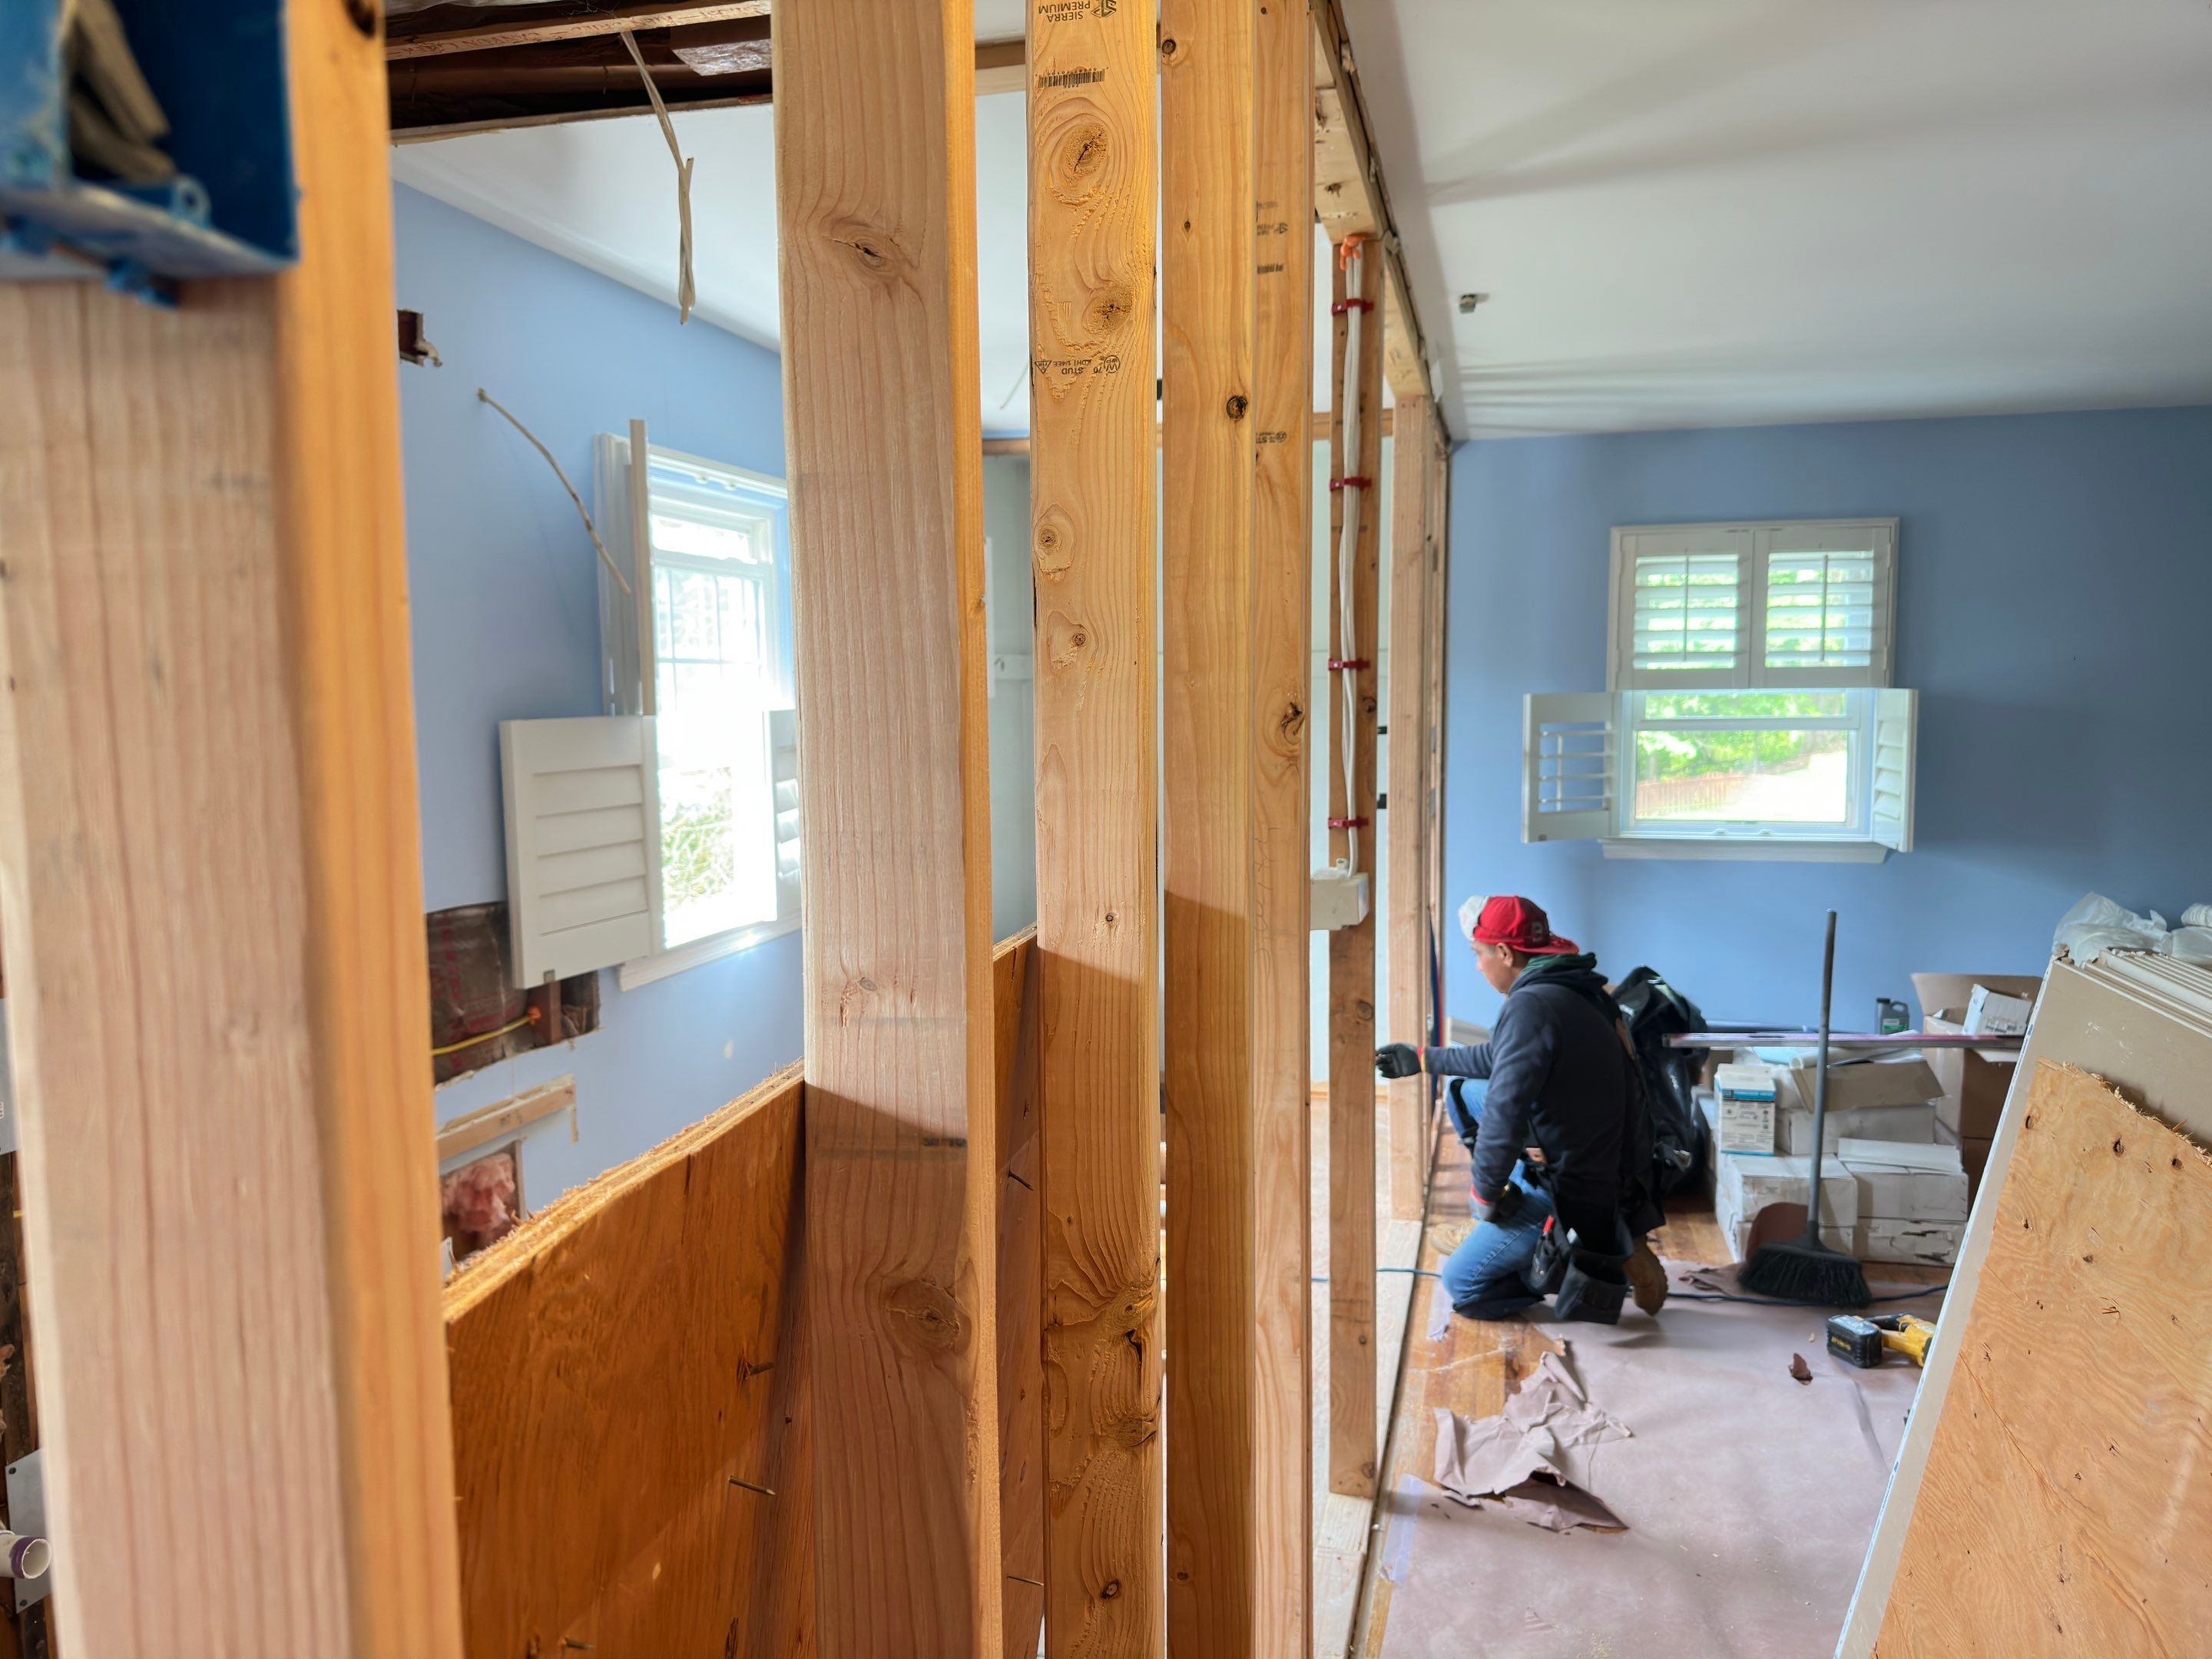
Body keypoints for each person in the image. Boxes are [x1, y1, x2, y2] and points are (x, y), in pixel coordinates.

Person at [1376, 894, 1667, 1321]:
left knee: (1464, 1285)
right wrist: (1422, 1059)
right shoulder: (1572, 986)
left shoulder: (1531, 1006)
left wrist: (1484, 1199)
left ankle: (1582, 1257)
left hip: (1574, 1187)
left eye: (1478, 954)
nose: (1477, 966)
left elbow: (1503, 1119)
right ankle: (1604, 1229)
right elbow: (1499, 1058)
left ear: (1505, 952)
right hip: (1610, 1162)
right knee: (1463, 1092)